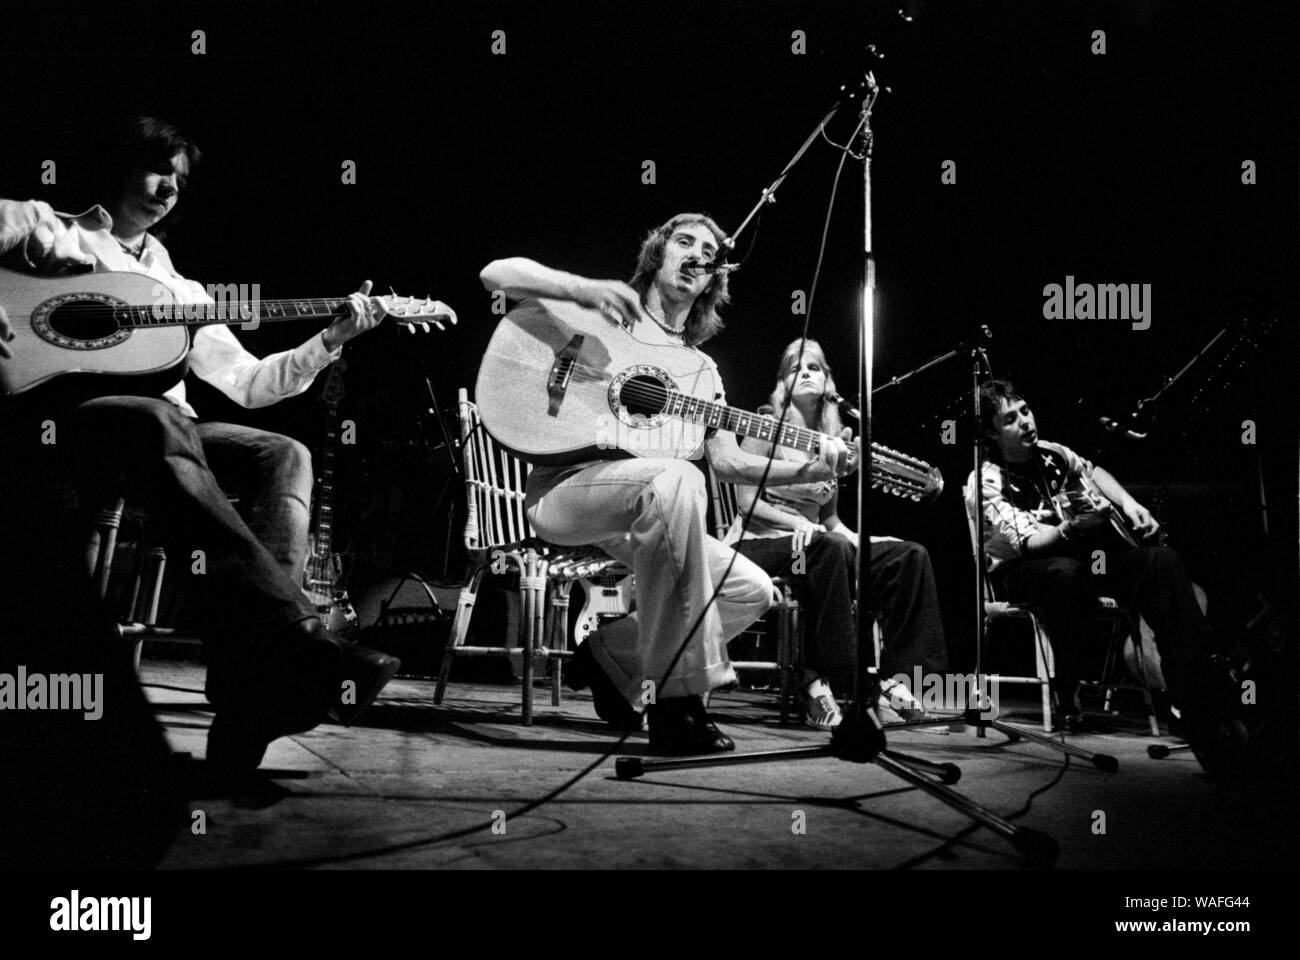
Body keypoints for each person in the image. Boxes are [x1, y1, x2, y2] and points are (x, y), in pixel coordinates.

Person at [0, 116, 418, 779]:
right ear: (120, 166)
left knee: (284, 454)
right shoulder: (43, 224)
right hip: (68, 422)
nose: (169, 186)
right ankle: (291, 651)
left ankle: (260, 678)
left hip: (162, 429)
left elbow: (250, 385)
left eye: (180, 180)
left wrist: (332, 340)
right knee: (156, 419)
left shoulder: (183, 296)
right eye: (158, 168)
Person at [480, 213, 857, 754]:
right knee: (676, 477)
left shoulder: (701, 372)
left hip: (642, 507)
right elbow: (495, 273)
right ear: (658, 253)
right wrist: (581, 287)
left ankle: (612, 658)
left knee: (751, 589)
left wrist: (814, 467)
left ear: (711, 281)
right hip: (566, 492)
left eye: (708, 253)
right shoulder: (602, 313)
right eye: (684, 241)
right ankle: (676, 705)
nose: (696, 255)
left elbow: (728, 463)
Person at [724, 338, 950, 729]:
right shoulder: (765, 423)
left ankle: (899, 685)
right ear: (782, 384)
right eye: (796, 368)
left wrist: (867, 541)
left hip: (818, 543)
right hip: (759, 543)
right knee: (827, 549)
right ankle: (817, 682)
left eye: (815, 367)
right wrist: (799, 525)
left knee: (908, 555)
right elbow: (746, 503)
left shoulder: (836, 440)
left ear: (829, 381)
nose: (806, 373)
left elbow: (831, 523)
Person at [965, 379, 1209, 732]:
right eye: (1010, 420)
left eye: (1025, 411)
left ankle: (1193, 696)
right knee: (1065, 574)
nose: (1025, 422)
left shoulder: (1054, 453)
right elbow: (1029, 543)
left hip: (1083, 557)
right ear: (990, 433)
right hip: (1022, 569)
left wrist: (1129, 503)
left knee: (1161, 561)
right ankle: (1067, 687)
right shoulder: (986, 481)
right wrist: (1073, 527)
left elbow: (1092, 471)